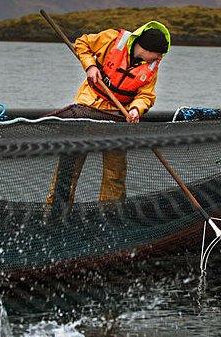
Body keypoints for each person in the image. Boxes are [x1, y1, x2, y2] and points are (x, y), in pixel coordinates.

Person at [46, 21, 171, 211]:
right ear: (145, 49)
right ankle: (55, 211)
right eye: (158, 53)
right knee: (70, 164)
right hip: (87, 108)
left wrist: (136, 109)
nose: (160, 57)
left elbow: (146, 95)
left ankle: (110, 214)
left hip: (118, 117)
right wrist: (90, 67)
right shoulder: (113, 39)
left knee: (115, 172)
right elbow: (82, 43)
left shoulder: (152, 66)